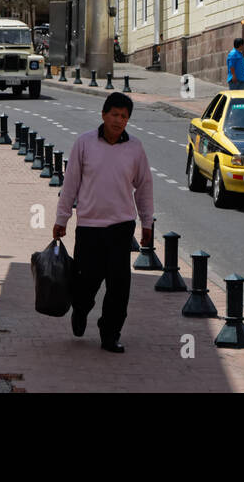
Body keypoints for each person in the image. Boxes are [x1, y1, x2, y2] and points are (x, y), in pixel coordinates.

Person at [53, 92, 154, 354]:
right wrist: (62, 217)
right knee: (86, 282)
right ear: (103, 115)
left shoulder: (135, 148)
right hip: (89, 227)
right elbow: (71, 184)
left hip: (121, 228)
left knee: (119, 286)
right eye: (115, 115)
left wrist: (147, 223)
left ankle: (110, 333)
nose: (119, 120)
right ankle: (80, 310)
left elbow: (144, 187)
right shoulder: (84, 143)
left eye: (124, 116)